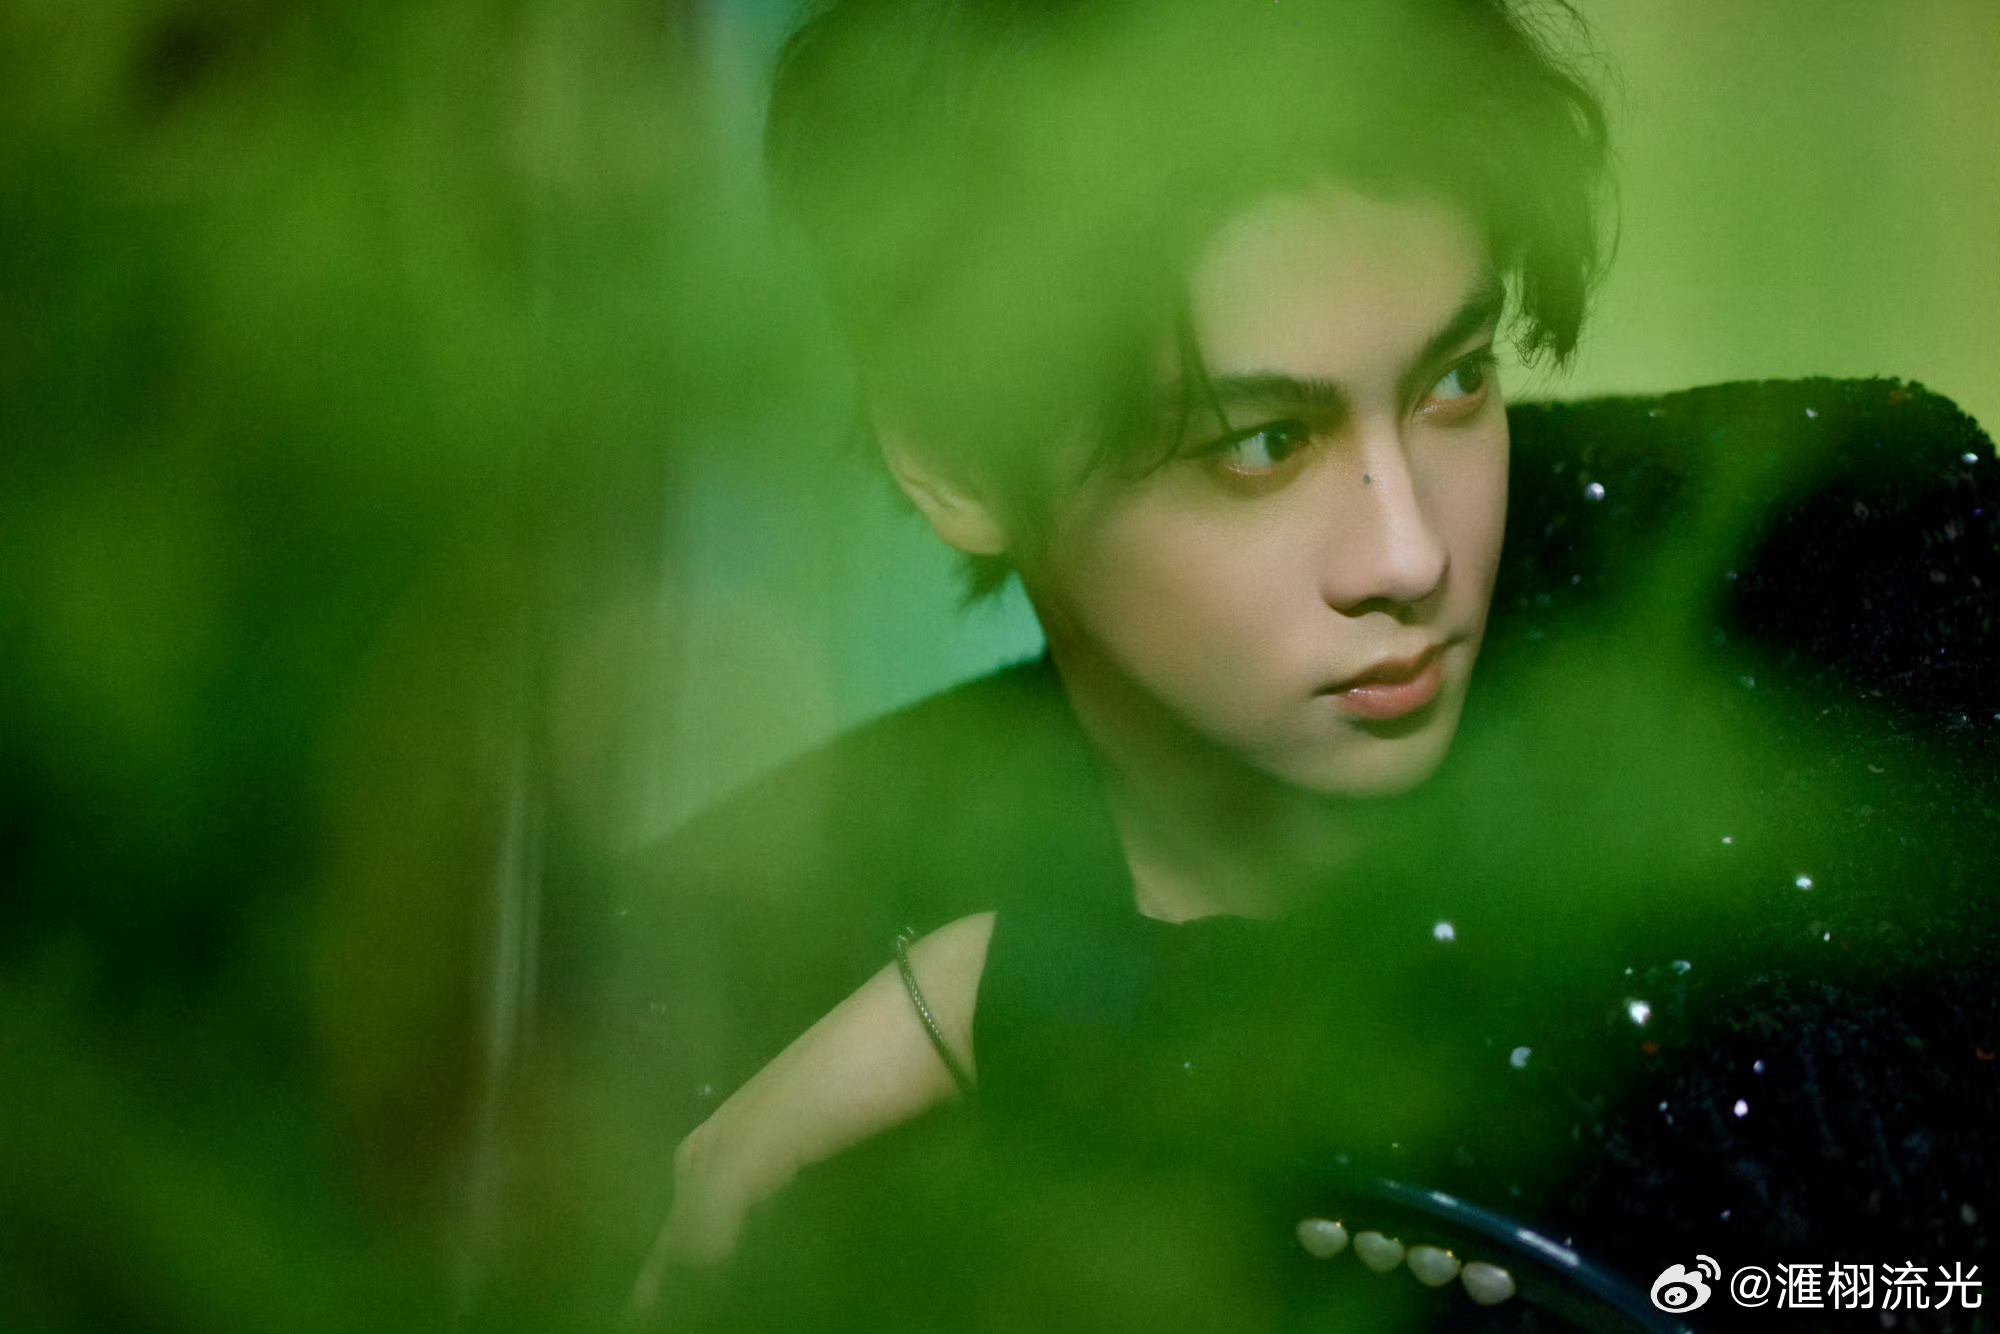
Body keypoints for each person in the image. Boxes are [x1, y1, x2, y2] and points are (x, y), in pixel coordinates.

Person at [609, 1, 1998, 1328]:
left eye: (1457, 380)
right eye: (1263, 445)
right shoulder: (749, 946)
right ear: (961, 460)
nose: (1410, 553)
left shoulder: (1827, 550)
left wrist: (1048, 1006)